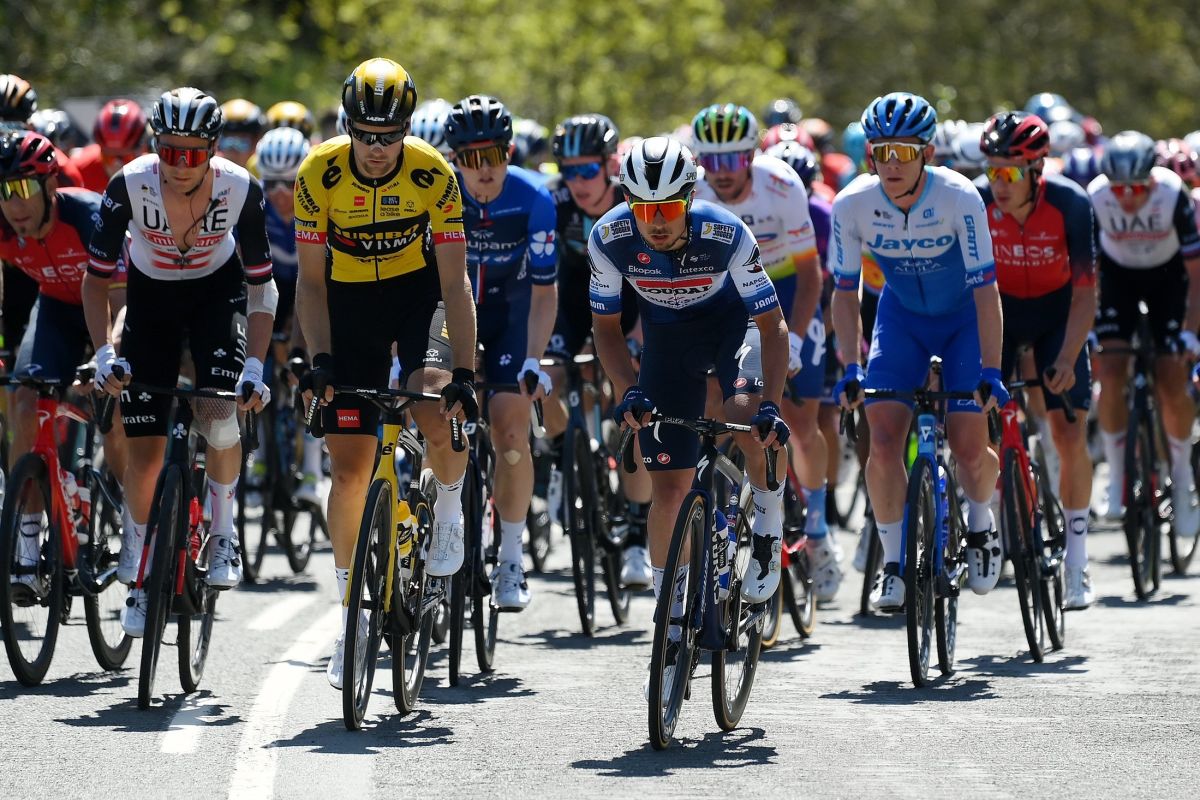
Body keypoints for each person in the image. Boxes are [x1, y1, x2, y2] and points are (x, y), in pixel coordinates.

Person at [292, 57, 475, 689]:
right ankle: (351, 615)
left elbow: (455, 284)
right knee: (348, 471)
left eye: (389, 135)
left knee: (433, 401)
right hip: (349, 305)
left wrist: (464, 370)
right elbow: (310, 284)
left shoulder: (434, 173)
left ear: (406, 130)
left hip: (418, 297)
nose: (376, 148)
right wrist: (320, 359)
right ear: (348, 127)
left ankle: (447, 507)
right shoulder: (317, 174)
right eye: (365, 135)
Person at [588, 137, 789, 693]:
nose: (655, 222)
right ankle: (670, 619)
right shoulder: (609, 237)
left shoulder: (727, 234)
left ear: (690, 198)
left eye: (669, 208)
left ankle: (768, 525)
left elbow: (771, 326)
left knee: (745, 418)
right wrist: (629, 390)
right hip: (667, 343)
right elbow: (606, 329)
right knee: (669, 489)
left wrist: (772, 404)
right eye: (643, 209)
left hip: (734, 330)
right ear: (628, 202)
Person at [84, 87, 277, 637]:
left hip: (218, 294)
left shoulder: (241, 188)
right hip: (152, 299)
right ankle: (139, 566)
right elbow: (95, 281)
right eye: (169, 150)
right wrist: (104, 353)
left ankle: (224, 531)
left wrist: (255, 366)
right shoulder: (128, 184)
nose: (180, 163)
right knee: (144, 453)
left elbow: (262, 288)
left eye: (192, 153)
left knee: (220, 418)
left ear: (212, 150)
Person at [831, 92, 1005, 611]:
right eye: (881, 152)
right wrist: (850, 366)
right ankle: (892, 564)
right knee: (883, 440)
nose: (891, 164)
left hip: (962, 323)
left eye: (904, 153)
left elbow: (986, 291)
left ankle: (981, 522)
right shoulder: (852, 204)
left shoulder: (959, 197)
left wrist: (992, 369)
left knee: (969, 445)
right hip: (901, 320)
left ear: (927, 154)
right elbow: (845, 293)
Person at [690, 103, 841, 600]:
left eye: (733, 159)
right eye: (711, 161)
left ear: (752, 155)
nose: (722, 172)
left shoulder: (781, 185)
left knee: (800, 420)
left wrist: (792, 338)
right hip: (726, 296)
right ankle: (731, 506)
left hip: (785, 291)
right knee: (717, 406)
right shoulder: (694, 190)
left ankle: (817, 529)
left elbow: (811, 274)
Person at [976, 111, 1099, 609]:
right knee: (981, 423)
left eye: (1009, 172)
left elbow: (1087, 293)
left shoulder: (1071, 203)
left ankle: (1077, 560)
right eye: (992, 171)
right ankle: (997, 516)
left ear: (1036, 169)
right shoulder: (978, 203)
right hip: (1001, 315)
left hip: (1056, 317)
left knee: (1068, 431)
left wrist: (1068, 357)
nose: (999, 184)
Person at [0, 131, 128, 598]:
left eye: (23, 188)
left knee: (115, 409)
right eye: (3, 191)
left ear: (51, 186)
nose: (13, 204)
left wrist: (107, 355)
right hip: (55, 309)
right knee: (23, 399)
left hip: (112, 307)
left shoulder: (89, 217)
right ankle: (26, 544)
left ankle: (135, 518)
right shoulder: (5, 229)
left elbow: (124, 302)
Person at [444, 94, 557, 611]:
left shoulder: (534, 198)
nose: (484, 169)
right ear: (455, 159)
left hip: (513, 313)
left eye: (493, 155)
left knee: (510, 431)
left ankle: (511, 558)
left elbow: (545, 291)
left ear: (509, 152)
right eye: (471, 158)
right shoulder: (441, 193)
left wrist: (534, 357)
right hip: (454, 308)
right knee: (436, 408)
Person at [544, 113, 652, 588]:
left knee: (633, 411)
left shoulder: (635, 199)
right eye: (568, 171)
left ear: (610, 166)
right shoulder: (555, 202)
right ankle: (561, 458)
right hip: (572, 300)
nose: (578, 182)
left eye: (587, 170)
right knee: (547, 378)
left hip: (633, 300)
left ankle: (636, 534)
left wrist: (639, 340)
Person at [1089, 131, 1200, 538]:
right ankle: (1118, 477)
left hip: (1168, 279)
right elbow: (1089, 271)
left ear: (1152, 179)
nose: (1127, 197)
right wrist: (1090, 326)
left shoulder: (1172, 195)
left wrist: (1191, 333)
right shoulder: (1096, 197)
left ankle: (1183, 480)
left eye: (1137, 188)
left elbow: (1196, 274)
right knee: (1110, 371)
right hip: (1118, 278)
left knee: (1171, 379)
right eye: (1119, 189)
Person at [250, 125, 325, 502]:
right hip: (273, 287)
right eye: (272, 184)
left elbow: (318, 282)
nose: (280, 194)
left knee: (310, 368)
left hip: (312, 287)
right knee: (257, 370)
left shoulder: (320, 203)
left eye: (290, 183)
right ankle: (260, 458)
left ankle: (312, 468)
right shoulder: (257, 207)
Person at [72, 99, 149, 193]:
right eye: (109, 158)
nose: (116, 164)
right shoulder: (78, 170)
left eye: (125, 158)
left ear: (142, 149)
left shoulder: (157, 173)